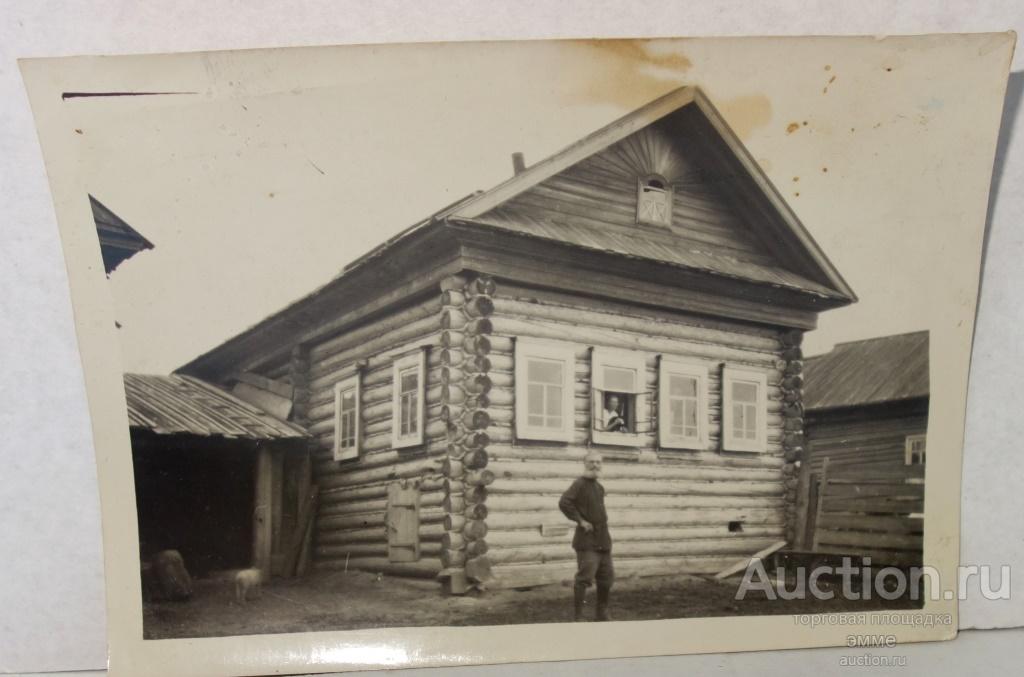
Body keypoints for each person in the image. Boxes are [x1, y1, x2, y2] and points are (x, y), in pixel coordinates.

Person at [558, 451, 613, 621]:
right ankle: (579, 616)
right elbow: (564, 502)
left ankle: (602, 613)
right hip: (587, 540)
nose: (595, 465)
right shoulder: (579, 484)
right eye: (591, 462)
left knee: (606, 578)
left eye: (598, 462)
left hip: (603, 539)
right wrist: (580, 520)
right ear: (585, 463)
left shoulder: (599, 487)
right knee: (584, 578)